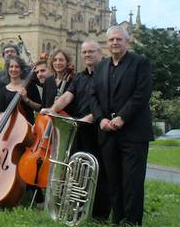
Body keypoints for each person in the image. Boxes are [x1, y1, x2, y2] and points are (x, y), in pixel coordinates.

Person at [90, 26, 153, 225]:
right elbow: (93, 96)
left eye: (118, 39)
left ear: (127, 41)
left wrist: (122, 117)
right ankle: (118, 220)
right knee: (113, 181)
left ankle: (132, 222)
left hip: (133, 133)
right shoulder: (101, 66)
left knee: (132, 182)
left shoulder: (140, 63)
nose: (114, 43)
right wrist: (100, 119)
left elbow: (141, 94)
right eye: (111, 40)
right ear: (106, 43)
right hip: (108, 133)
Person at [46, 40, 110, 221]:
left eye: (91, 52)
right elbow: (67, 96)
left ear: (100, 53)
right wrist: (53, 109)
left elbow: (105, 104)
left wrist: (88, 119)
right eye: (85, 52)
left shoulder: (105, 76)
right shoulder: (80, 77)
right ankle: (77, 209)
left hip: (97, 129)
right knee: (76, 171)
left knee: (98, 174)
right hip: (78, 128)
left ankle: (99, 214)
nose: (88, 55)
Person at [0, 56, 40, 124]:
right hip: (8, 126)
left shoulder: (30, 86)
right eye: (11, 66)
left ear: (21, 70)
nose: (14, 69)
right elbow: (0, 112)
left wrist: (27, 99)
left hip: (27, 126)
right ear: (7, 69)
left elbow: (40, 108)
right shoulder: (3, 89)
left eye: (17, 67)